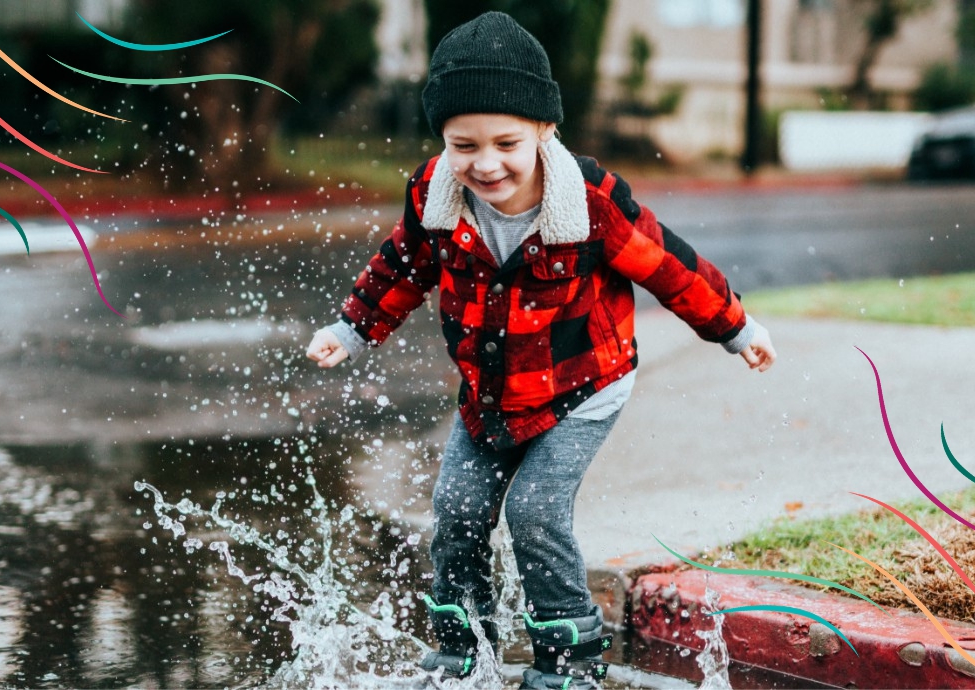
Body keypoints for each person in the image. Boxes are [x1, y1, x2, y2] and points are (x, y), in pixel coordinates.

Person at [306, 11, 776, 689]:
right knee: (458, 511)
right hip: (491, 396)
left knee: (533, 510)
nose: (485, 163)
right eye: (463, 144)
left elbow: (669, 266)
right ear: (443, 139)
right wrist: (351, 330)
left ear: (543, 131)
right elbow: (402, 267)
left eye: (506, 142)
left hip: (585, 388)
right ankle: (463, 648)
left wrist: (737, 330)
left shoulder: (587, 201)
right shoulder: (434, 197)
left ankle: (568, 655)